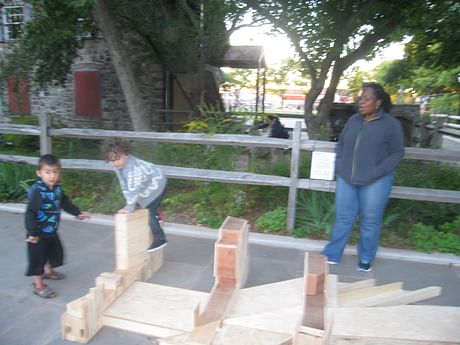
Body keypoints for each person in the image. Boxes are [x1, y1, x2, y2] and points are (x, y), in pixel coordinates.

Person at [321, 82, 405, 272]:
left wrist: (377, 171)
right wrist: (340, 164)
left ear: (378, 103)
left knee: (370, 220)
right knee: (343, 218)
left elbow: (397, 152)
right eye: (360, 98)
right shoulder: (354, 120)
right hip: (347, 179)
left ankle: (366, 257)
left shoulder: (391, 125)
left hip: (376, 182)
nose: (361, 102)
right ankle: (333, 254)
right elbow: (341, 144)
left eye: (367, 99)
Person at [25, 154, 90, 298]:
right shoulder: (37, 191)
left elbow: (65, 203)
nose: (52, 176)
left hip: (51, 230)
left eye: (55, 172)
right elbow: (30, 213)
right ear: (39, 173)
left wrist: (77, 213)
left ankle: (48, 272)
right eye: (47, 172)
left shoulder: (57, 190)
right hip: (36, 233)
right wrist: (32, 233)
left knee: (55, 253)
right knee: (37, 260)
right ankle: (39, 285)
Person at [103, 138, 168, 252]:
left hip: (158, 182)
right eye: (112, 160)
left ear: (126, 154)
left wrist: (129, 207)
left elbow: (134, 189)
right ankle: (158, 215)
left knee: (148, 210)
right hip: (149, 183)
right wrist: (128, 204)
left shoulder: (132, 168)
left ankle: (160, 238)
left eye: (117, 159)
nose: (115, 163)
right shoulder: (118, 166)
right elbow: (125, 185)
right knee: (139, 202)